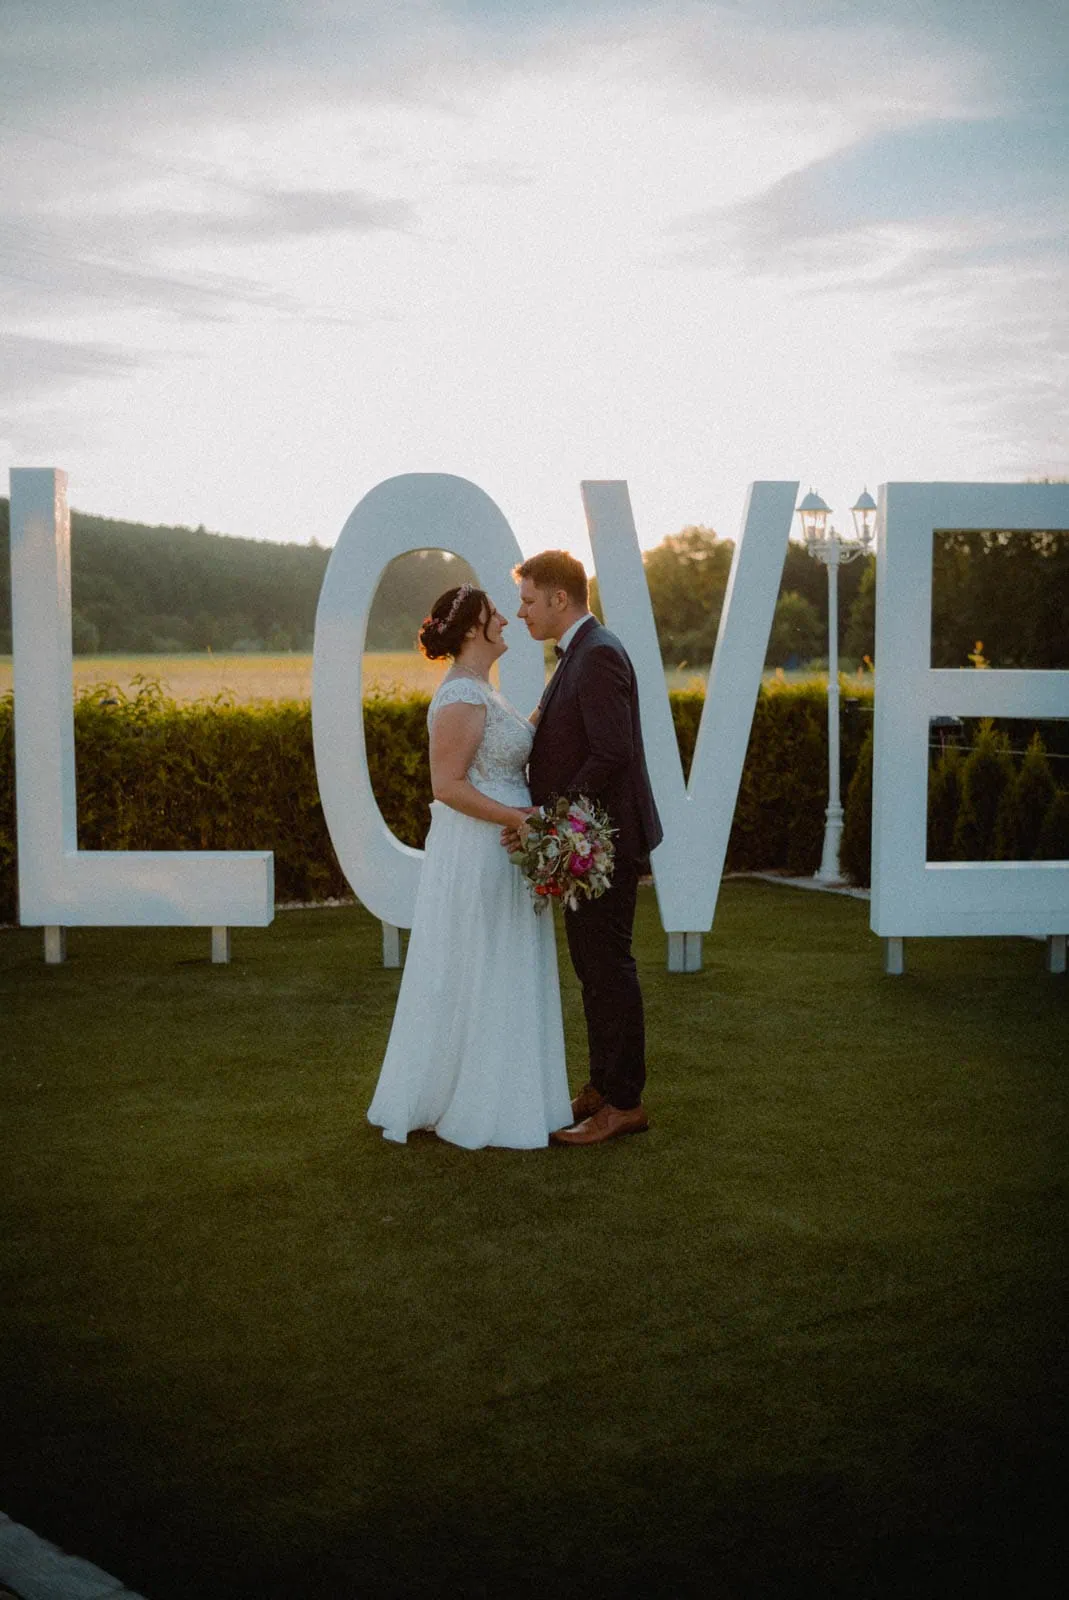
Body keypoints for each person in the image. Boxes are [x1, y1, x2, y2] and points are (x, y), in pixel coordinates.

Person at [367, 583, 572, 1149]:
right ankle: (472, 1099)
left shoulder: (487, 691)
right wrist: (521, 818)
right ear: (471, 631)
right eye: (493, 615)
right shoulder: (460, 695)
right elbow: (448, 786)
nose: (506, 619)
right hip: (481, 847)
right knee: (480, 959)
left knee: (503, 961)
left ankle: (510, 1091)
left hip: (507, 844)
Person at [509, 551, 663, 1147]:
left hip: (603, 842)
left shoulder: (597, 654)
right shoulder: (581, 651)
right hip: (584, 843)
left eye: (528, 600)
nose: (521, 613)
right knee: (593, 972)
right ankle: (601, 1086)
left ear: (558, 599)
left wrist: (552, 818)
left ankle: (624, 1102)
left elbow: (611, 752)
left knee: (609, 970)